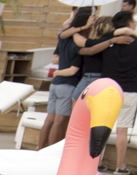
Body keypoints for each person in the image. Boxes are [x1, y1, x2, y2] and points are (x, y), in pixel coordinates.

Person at [39, 7, 89, 149]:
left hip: (56, 84)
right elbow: (73, 70)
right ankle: (51, 150)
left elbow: (62, 33)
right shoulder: (78, 44)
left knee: (50, 118)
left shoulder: (64, 40)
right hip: (68, 84)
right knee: (60, 120)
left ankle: (40, 147)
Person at [102, 11, 137, 174]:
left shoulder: (107, 40)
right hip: (130, 89)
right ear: (130, 24)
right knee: (122, 129)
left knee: (103, 126)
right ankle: (120, 165)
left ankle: (97, 162)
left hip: (109, 88)